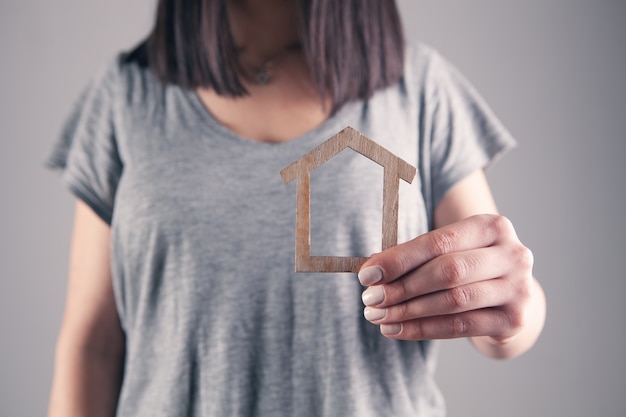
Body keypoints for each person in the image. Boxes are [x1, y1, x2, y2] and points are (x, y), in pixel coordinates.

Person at [47, 0, 546, 416]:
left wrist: (513, 309)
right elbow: (93, 346)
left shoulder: (420, 88)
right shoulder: (122, 97)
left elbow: (499, 297)